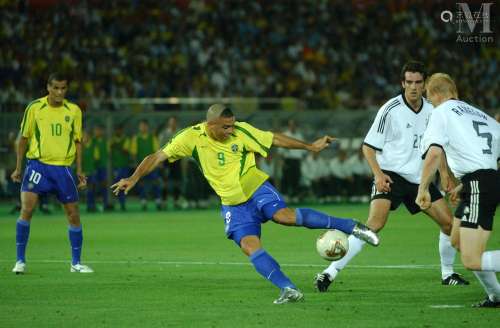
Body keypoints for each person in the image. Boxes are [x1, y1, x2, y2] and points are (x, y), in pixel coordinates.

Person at [111, 104, 379, 304]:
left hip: (255, 187)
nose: (231, 130)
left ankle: (352, 227)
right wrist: (134, 177)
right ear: (210, 125)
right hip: (233, 203)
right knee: (250, 246)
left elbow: (273, 138)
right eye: (225, 127)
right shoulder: (189, 138)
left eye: (232, 125)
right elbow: (157, 156)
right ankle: (288, 289)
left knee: (284, 216)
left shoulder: (242, 131)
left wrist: (309, 147)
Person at [314, 61, 468, 292]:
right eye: (409, 82)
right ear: (402, 83)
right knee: (374, 224)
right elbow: (368, 147)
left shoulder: (433, 110)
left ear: (425, 84)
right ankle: (329, 273)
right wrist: (378, 175)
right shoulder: (390, 109)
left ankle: (448, 274)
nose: (414, 87)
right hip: (392, 176)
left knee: (448, 224)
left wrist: (445, 176)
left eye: (418, 82)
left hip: (420, 180)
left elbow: (438, 148)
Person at [416, 73, 500, 308]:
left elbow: (434, 153)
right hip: (482, 181)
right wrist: (466, 183)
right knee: (457, 239)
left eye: (430, 100)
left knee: (471, 259)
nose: (431, 104)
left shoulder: (441, 112)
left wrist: (423, 187)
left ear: (434, 95)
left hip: (480, 186)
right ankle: (496, 296)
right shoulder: (481, 115)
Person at [10, 73, 93, 274]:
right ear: (48, 87)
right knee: (27, 210)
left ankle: (76, 263)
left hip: (63, 169)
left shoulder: (73, 111)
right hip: (37, 167)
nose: (59, 92)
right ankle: (20, 261)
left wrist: (80, 170)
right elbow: (23, 139)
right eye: (55, 88)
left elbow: (78, 142)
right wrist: (18, 167)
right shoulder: (34, 108)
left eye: (63, 88)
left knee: (73, 215)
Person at [129, 119, 162, 211]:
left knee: (155, 181)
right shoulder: (136, 138)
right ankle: (143, 201)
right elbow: (134, 153)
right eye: (141, 126)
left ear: (147, 127)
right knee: (142, 183)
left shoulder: (153, 138)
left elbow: (156, 152)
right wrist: (136, 165)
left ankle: (158, 200)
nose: (143, 127)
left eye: (145, 126)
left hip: (152, 165)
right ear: (139, 127)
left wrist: (157, 163)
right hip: (141, 165)